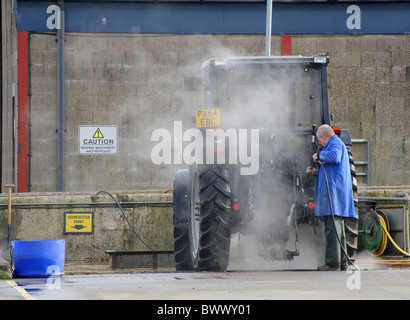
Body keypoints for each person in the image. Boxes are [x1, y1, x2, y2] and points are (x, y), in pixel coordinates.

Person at [306, 124, 356, 271]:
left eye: (320, 141)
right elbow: (331, 167)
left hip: (333, 195)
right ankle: (341, 263)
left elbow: (334, 157)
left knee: (332, 230)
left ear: (323, 137)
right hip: (334, 195)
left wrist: (318, 156)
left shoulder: (334, 143)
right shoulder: (336, 143)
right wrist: (317, 171)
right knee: (337, 230)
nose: (320, 144)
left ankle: (332, 264)